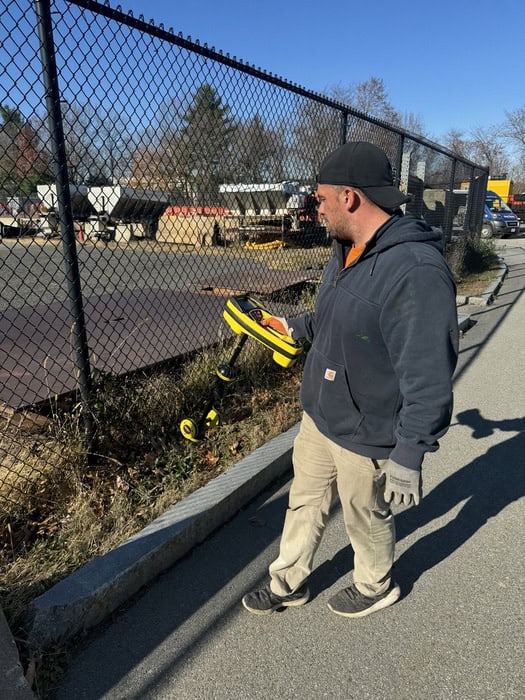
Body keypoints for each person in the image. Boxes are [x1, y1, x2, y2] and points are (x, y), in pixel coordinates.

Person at [242, 141, 459, 618]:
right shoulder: (345, 249)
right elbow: (334, 314)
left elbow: (430, 372)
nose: (313, 207)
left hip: (371, 429)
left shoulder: (415, 272)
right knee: (304, 502)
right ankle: (287, 583)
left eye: (319, 198)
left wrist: (410, 452)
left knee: (365, 516)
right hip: (321, 415)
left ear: (350, 197)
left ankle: (375, 584)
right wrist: (295, 327)